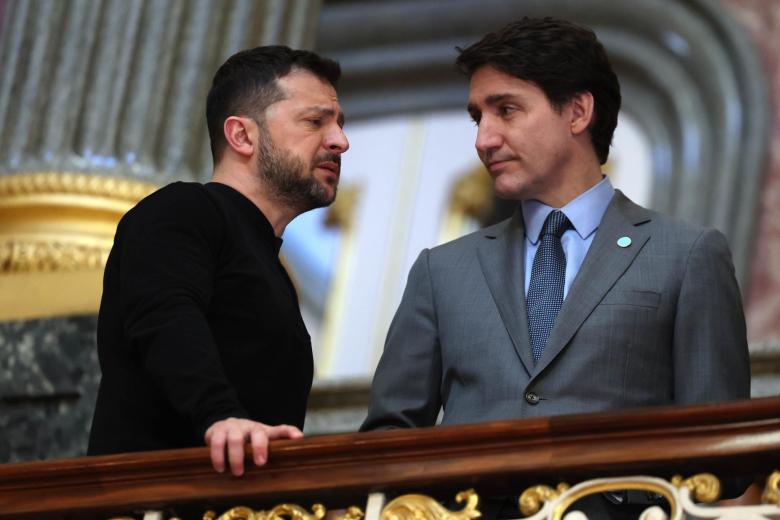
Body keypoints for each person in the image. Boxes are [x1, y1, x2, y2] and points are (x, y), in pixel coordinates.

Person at [362, 17, 749, 434]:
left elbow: (718, 442)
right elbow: (387, 438)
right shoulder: (440, 272)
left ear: (578, 112)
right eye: (478, 118)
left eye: (506, 110)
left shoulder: (687, 255)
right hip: (470, 501)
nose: (483, 140)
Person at [88, 46, 349, 477]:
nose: (341, 140)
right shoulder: (182, 209)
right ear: (242, 136)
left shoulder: (276, 273)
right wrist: (219, 415)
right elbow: (164, 314)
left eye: (339, 124)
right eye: (315, 121)